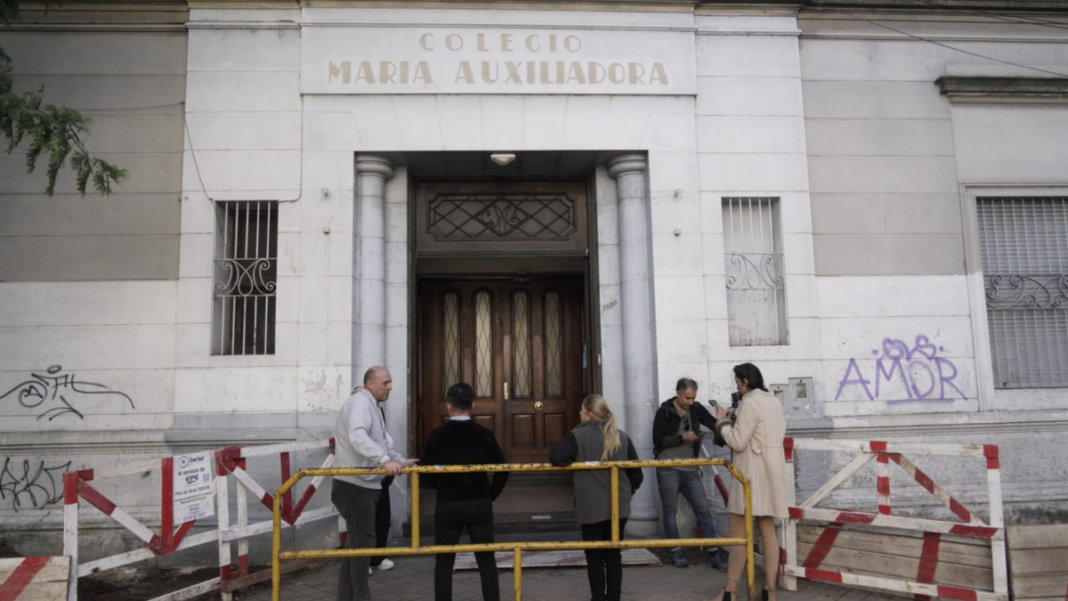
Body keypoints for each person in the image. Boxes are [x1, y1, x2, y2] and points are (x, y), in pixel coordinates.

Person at [332, 366, 417, 601]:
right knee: (362, 546)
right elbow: (358, 437)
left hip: (362, 484)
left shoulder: (372, 406)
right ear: (370, 384)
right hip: (355, 485)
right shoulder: (360, 403)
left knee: (358, 545)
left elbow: (382, 442)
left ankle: (348, 597)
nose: (390, 387)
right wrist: (384, 460)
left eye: (390, 382)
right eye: (386, 382)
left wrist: (401, 461)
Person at [420, 383, 509, 601]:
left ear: (449, 406)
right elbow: (503, 469)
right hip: (479, 502)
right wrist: (490, 494)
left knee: (444, 561)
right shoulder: (484, 434)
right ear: (473, 405)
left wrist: (440, 484)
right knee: (486, 560)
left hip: (448, 504)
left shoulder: (436, 436)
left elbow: (426, 476)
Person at [550, 394, 643, 601]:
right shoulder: (621, 436)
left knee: (594, 557)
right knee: (613, 555)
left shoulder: (577, 436)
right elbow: (637, 475)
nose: (579, 415)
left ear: (589, 414)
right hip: (619, 507)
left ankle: (598, 598)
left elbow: (556, 457)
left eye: (581, 412)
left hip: (591, 509)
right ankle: (614, 598)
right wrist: (626, 494)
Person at [713, 363, 788, 601]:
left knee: (737, 533)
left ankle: (730, 592)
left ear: (744, 381)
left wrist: (722, 422)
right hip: (771, 471)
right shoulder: (773, 401)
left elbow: (737, 442)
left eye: (736, 382)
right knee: (768, 532)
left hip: (749, 475)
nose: (736, 385)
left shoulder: (749, 403)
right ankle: (770, 591)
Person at [652, 378, 729, 570]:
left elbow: (712, 424)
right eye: (687, 398)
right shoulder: (664, 412)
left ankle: (713, 553)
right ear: (677, 394)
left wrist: (724, 422)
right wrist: (682, 438)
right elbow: (658, 440)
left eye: (693, 398)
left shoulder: (696, 409)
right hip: (668, 467)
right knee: (670, 511)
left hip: (691, 467)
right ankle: (675, 550)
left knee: (703, 509)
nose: (690, 402)